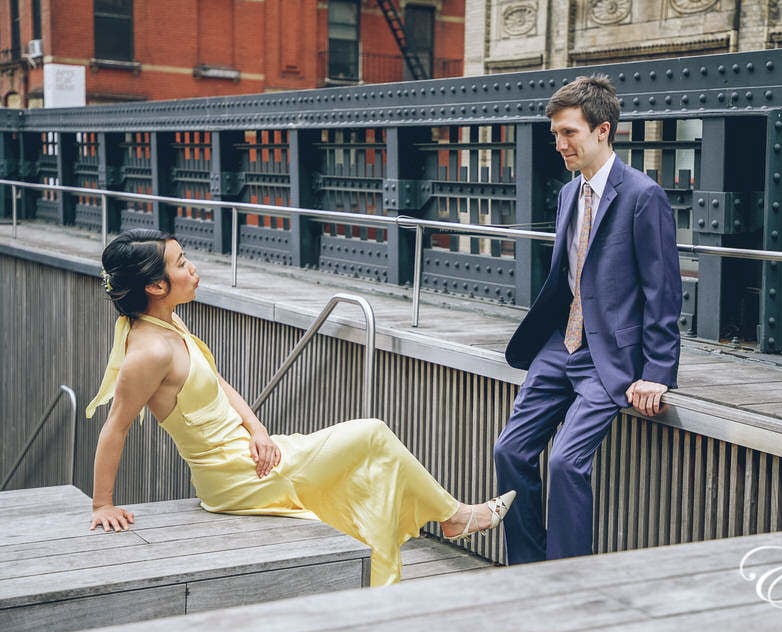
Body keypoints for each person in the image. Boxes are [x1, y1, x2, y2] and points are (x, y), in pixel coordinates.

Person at [86, 228, 515, 587]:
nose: (192, 268)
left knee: (368, 466)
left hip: (250, 454)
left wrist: (257, 429)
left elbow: (214, 383)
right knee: (372, 434)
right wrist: (101, 505)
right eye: (180, 263)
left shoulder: (169, 322)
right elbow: (116, 427)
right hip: (235, 478)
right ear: (156, 286)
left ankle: (434, 534)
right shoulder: (148, 352)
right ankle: (455, 517)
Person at [493, 75, 681, 564]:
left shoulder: (644, 196)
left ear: (603, 130)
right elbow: (565, 277)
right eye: (555, 134)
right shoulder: (568, 195)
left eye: (569, 133)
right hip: (560, 346)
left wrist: (656, 375)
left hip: (610, 358)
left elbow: (663, 294)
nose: (559, 144)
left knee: (565, 462)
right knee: (510, 451)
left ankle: (568, 578)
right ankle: (527, 569)